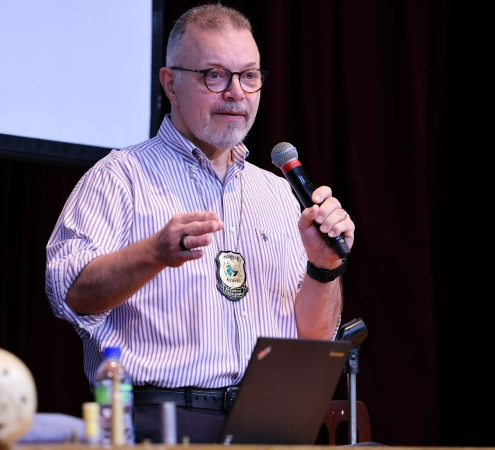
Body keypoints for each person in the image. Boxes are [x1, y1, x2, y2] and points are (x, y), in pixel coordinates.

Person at [45, 3, 355, 443]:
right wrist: (153, 254)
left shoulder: (276, 193)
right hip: (162, 423)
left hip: (272, 421)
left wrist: (323, 268)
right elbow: (70, 293)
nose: (236, 93)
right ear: (170, 82)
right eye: (214, 75)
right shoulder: (120, 177)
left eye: (249, 76)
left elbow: (315, 339)